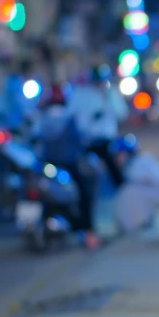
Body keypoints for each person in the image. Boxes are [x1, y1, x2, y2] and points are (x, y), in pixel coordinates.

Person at [39, 83, 100, 249]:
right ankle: (89, 232)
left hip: (47, 165)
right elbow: (81, 138)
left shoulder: (42, 118)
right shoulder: (69, 118)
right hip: (68, 165)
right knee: (85, 194)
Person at [66, 64, 129, 187]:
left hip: (107, 140)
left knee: (116, 173)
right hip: (86, 141)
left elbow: (122, 114)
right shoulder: (81, 94)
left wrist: (108, 98)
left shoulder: (111, 93)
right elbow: (70, 113)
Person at [110, 134, 159, 234]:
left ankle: (133, 227)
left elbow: (156, 179)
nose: (117, 158)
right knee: (129, 191)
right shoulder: (134, 163)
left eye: (120, 154)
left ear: (129, 153)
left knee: (128, 192)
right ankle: (139, 223)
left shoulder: (141, 161)